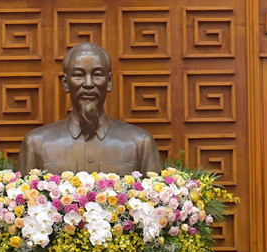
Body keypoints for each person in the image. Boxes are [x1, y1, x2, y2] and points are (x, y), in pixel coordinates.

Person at [17, 42, 161, 176]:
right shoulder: (36, 143)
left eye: (97, 75)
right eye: (78, 75)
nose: (88, 84)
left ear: (109, 82)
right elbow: (23, 201)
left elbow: (155, 200)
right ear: (66, 83)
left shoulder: (140, 143)